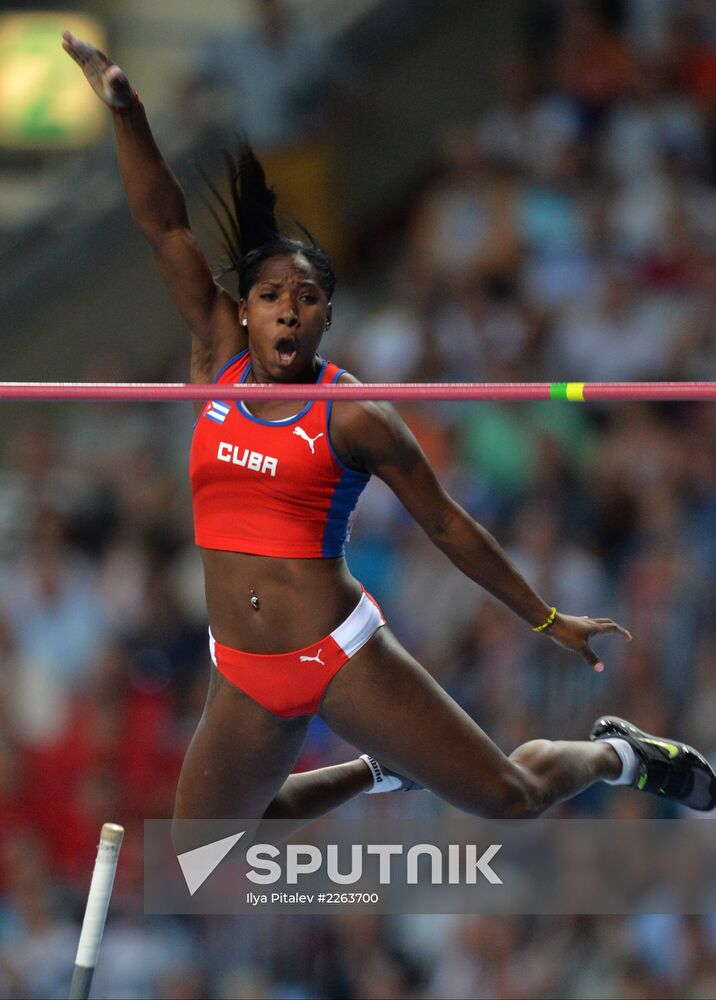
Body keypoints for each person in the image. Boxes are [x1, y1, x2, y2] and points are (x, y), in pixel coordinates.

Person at [62, 32, 716, 846]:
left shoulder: (356, 415)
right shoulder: (216, 359)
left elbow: (446, 523)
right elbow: (166, 230)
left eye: (306, 299)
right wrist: (127, 111)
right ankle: (378, 771)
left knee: (509, 796)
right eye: (271, 296)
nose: (289, 310)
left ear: (328, 317)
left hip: (337, 655)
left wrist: (547, 619)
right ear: (244, 311)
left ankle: (620, 756)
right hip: (242, 669)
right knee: (200, 851)